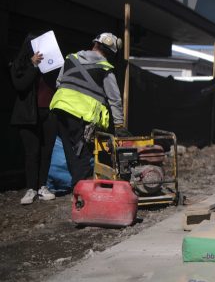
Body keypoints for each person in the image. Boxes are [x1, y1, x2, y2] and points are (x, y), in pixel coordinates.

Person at [50, 32, 129, 186]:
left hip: (60, 109)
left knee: (71, 153)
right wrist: (119, 125)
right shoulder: (105, 69)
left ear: (95, 44)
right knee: (83, 155)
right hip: (82, 115)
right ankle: (82, 192)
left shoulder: (71, 58)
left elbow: (59, 83)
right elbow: (115, 99)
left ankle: (77, 188)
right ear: (110, 54)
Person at [9, 34, 59, 204]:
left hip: (49, 113)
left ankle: (42, 186)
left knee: (47, 152)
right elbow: (20, 85)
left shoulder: (50, 66)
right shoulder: (19, 65)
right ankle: (31, 188)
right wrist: (33, 65)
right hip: (28, 115)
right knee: (32, 152)